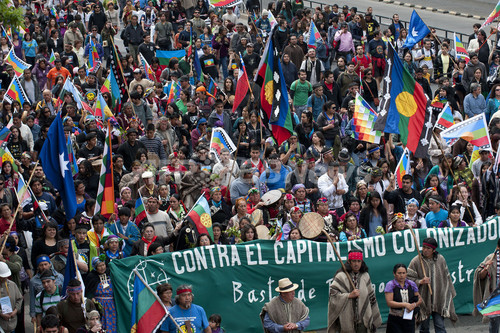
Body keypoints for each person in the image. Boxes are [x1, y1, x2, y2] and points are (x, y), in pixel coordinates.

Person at [407, 237, 458, 333]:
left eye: (428, 248)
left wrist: (448, 293)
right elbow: (408, 278)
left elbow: (446, 277)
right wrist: (420, 281)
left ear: (434, 250)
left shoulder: (440, 259)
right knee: (424, 328)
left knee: (440, 326)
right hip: (423, 300)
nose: (425, 250)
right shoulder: (416, 261)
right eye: (424, 247)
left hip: (438, 299)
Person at [328, 250, 382, 333]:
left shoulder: (365, 276)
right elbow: (333, 295)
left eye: (359, 261)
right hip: (346, 320)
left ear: (362, 262)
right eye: (353, 261)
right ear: (349, 262)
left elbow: (371, 297)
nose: (356, 264)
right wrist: (349, 295)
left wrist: (374, 319)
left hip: (364, 321)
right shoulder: (341, 276)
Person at [384, 264, 423, 333]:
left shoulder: (411, 284)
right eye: (399, 273)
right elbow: (389, 302)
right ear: (394, 274)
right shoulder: (390, 285)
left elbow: (419, 299)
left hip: (409, 317)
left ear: (406, 274)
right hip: (395, 318)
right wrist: (405, 304)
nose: (401, 275)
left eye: (403, 273)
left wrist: (413, 305)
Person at [473, 238, 500, 331]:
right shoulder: (490, 258)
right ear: (498, 247)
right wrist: (485, 268)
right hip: (495, 294)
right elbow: (480, 276)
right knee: (494, 322)